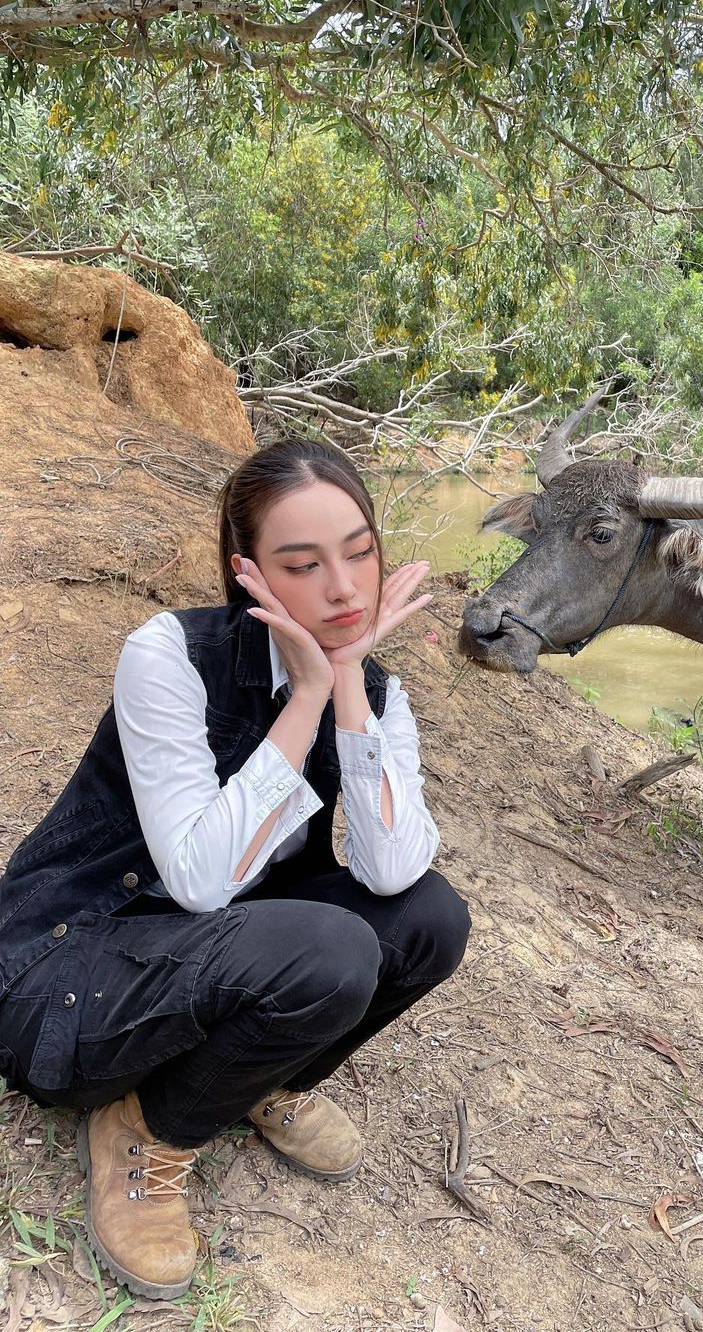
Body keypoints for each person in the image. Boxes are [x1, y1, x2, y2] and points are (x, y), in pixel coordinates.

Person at [0, 438, 470, 1300]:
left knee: (433, 918)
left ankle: (257, 1075)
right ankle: (146, 1130)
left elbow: (395, 869)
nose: (344, 589)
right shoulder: (169, 657)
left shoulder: (382, 696)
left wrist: (350, 687)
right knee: (330, 950)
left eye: (360, 552)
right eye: (304, 564)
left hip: (228, 956)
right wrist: (305, 701)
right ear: (248, 572)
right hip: (74, 972)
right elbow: (200, 883)